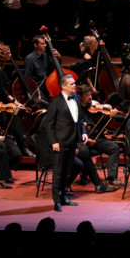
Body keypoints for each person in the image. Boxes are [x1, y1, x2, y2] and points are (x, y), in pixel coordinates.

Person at [43, 74, 87, 212]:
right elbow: (49, 125)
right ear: (63, 86)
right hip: (60, 143)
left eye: (74, 83)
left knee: (67, 171)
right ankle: (57, 201)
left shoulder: (76, 98)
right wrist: (53, 142)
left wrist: (83, 132)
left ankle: (63, 197)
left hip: (73, 141)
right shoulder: (55, 102)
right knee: (58, 173)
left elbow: (80, 119)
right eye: (72, 84)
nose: (75, 85)